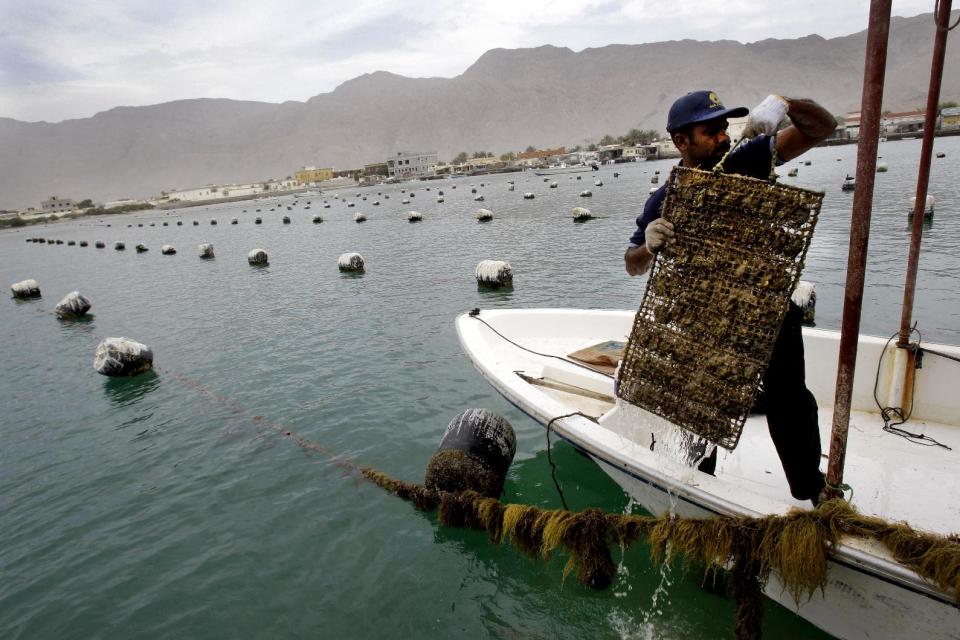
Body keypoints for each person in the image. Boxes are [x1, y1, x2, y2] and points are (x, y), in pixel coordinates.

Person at [623, 90, 836, 505]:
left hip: (767, 308)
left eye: (724, 128)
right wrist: (648, 246)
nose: (722, 137)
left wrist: (785, 103)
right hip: (704, 318)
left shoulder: (748, 159)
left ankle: (811, 487)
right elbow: (631, 263)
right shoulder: (664, 200)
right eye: (710, 131)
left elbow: (821, 127)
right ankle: (699, 490)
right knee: (699, 402)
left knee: (790, 399)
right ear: (680, 141)